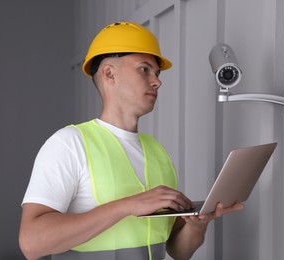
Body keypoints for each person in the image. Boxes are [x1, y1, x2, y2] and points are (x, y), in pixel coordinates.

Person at [19, 21, 243, 260]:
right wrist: (127, 205)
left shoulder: (158, 152)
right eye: (144, 69)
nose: (157, 81)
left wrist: (197, 225)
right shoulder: (69, 144)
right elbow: (32, 243)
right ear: (109, 74)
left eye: (157, 73)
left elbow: (178, 250)